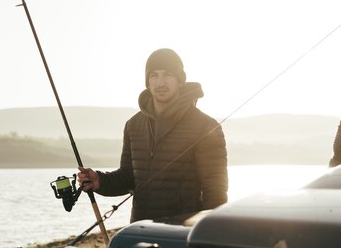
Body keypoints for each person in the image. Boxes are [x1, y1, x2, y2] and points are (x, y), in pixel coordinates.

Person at [77, 48, 228, 223]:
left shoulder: (206, 126)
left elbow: (215, 191)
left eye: (168, 75)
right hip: (140, 228)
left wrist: (205, 237)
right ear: (147, 82)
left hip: (182, 234)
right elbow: (128, 177)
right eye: (154, 75)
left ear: (180, 80)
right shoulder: (133, 125)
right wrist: (100, 181)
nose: (160, 82)